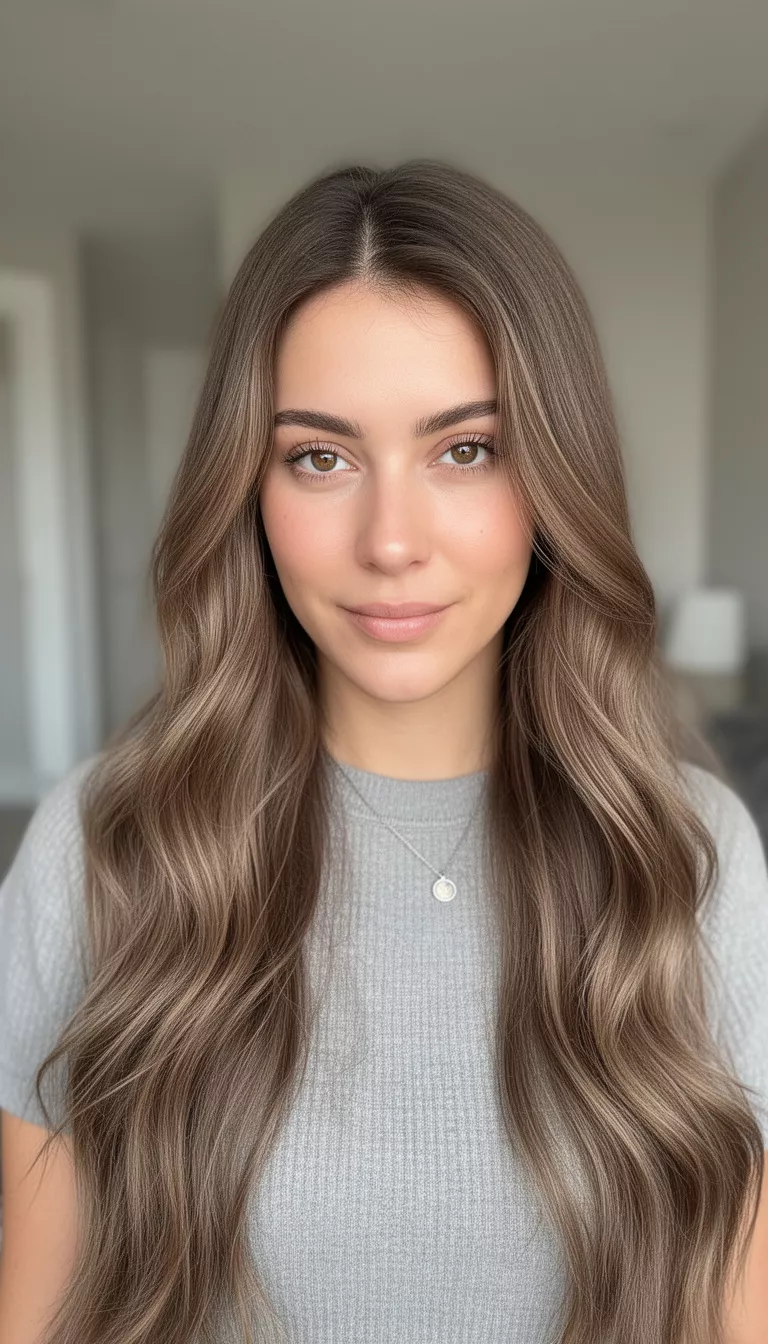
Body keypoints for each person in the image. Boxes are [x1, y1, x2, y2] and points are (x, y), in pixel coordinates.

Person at [1, 159, 767, 1344]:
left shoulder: (689, 851)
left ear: (554, 481)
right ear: (246, 491)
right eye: (321, 456)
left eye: (466, 450)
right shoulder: (108, 841)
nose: (391, 540)